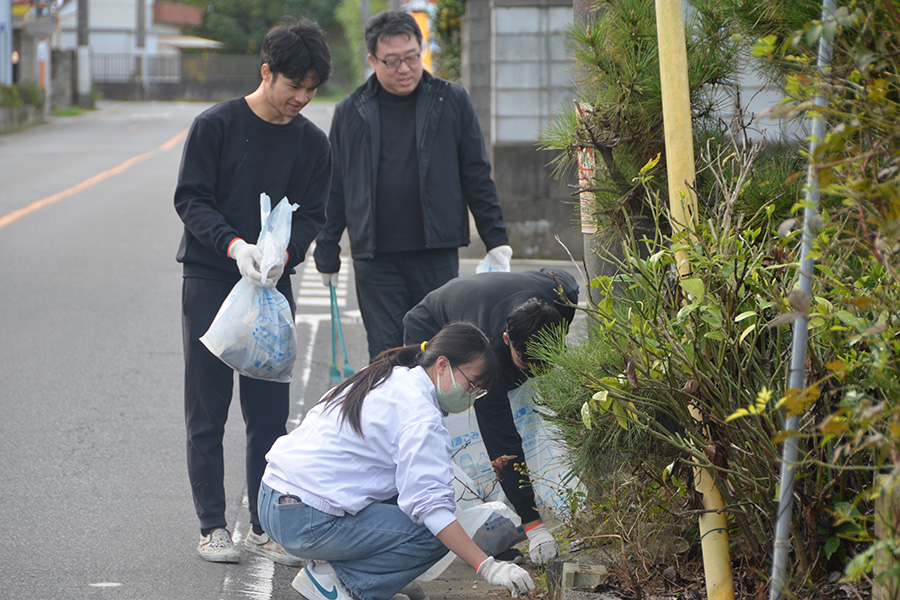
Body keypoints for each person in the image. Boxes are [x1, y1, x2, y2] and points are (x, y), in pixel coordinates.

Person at [173, 20, 332, 565]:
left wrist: (286, 254)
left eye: (312, 90)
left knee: (268, 411)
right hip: (212, 277)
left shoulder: (312, 141)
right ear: (267, 71)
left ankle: (267, 525)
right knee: (207, 406)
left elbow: (313, 213)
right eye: (295, 85)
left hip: (270, 284)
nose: (302, 99)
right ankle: (212, 525)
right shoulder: (214, 125)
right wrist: (235, 246)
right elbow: (191, 199)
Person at [258, 322, 535, 600]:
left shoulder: (388, 374)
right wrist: (486, 566)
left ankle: (380, 580)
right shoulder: (421, 417)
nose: (471, 396)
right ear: (442, 364)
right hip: (305, 520)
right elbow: (432, 510)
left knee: (407, 498)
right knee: (432, 534)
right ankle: (339, 583)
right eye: (472, 384)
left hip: (273, 496)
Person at [313, 10, 513, 362]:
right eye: (392, 61)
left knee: (437, 351)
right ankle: (390, 418)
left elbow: (476, 173)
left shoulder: (450, 100)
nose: (404, 69)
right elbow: (337, 184)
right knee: (388, 354)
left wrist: (496, 239)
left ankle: (431, 420)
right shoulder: (351, 111)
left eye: (411, 57)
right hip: (375, 257)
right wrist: (327, 248)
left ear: (421, 49)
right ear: (373, 60)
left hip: (435, 252)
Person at [403, 268, 580, 566]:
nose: (537, 372)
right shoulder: (489, 357)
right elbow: (503, 442)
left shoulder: (563, 298)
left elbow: (557, 274)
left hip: (490, 299)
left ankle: (512, 514)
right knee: (450, 438)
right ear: (507, 339)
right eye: (527, 364)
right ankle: (478, 532)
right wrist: (533, 522)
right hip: (431, 323)